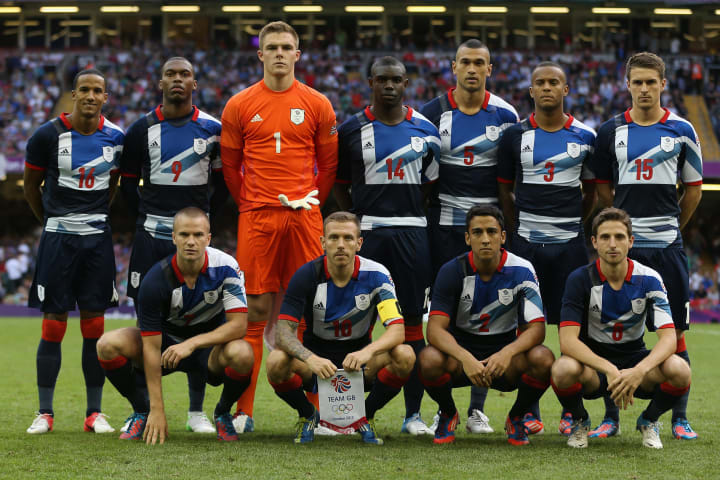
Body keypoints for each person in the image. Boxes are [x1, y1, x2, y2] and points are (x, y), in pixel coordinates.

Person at [221, 21, 338, 432]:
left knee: (306, 311)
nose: (279, 54)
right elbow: (232, 169)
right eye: (271, 47)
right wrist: (253, 204)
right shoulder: (238, 104)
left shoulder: (318, 103)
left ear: (297, 54)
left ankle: (316, 414)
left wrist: (310, 204)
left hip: (305, 217)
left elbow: (328, 167)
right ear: (261, 54)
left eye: (286, 47)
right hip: (257, 217)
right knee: (254, 310)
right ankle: (244, 412)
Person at [592, 52, 702, 440]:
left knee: (677, 333)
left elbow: (692, 190)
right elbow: (604, 191)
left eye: (650, 82)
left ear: (663, 85)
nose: (643, 89)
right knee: (610, 331)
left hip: (666, 248)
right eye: (636, 82)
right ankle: (610, 418)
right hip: (624, 249)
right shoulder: (609, 131)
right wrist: (620, 235)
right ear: (626, 85)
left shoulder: (683, 129)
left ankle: (677, 418)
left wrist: (673, 228)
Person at [119, 56, 225, 434]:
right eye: (170, 74)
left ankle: (197, 411)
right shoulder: (139, 130)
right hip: (151, 239)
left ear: (194, 84)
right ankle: (146, 410)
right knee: (146, 325)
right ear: (159, 83)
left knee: (199, 318)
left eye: (184, 75)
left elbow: (224, 185)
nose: (177, 80)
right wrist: (149, 218)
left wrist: (205, 218)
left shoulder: (214, 129)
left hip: (195, 239)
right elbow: (128, 184)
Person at [334, 56, 440, 435]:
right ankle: (345, 412)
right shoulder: (349, 130)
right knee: (355, 321)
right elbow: (337, 184)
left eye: (396, 80)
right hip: (369, 234)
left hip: (413, 233)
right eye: (382, 80)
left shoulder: (427, 130)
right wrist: (356, 223)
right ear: (370, 82)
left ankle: (413, 415)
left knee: (412, 321)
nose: (389, 86)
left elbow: (430, 184)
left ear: (406, 82)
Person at [420, 38, 519, 435]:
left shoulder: (506, 114)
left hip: (489, 230)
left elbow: (511, 177)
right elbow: (426, 177)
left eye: (480, 62)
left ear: (490, 69)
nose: (473, 69)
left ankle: (478, 409)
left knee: (487, 313)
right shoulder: (431, 114)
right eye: (466, 62)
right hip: (444, 227)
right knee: (444, 312)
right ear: (454, 67)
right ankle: (444, 409)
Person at [497, 61, 597, 435]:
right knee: (529, 327)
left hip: (570, 245)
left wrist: (573, 225)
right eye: (540, 82)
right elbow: (505, 189)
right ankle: (530, 408)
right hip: (527, 246)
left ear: (566, 89)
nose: (547, 88)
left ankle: (571, 409)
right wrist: (518, 227)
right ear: (531, 91)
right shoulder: (514, 136)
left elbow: (592, 194)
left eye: (554, 82)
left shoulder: (587, 137)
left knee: (573, 327)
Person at [96, 207, 254, 443]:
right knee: (107, 345)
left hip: (208, 350)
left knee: (243, 354)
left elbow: (239, 326)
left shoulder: (227, 267)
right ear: (173, 237)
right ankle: (142, 410)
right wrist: (158, 409)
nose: (191, 241)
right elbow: (150, 346)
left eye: (198, 235)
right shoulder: (155, 280)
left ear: (208, 238)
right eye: (184, 235)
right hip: (166, 346)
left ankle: (222, 413)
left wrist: (191, 344)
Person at [23, 68, 124, 435]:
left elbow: (112, 186)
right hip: (58, 241)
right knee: (53, 325)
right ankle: (44, 413)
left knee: (94, 327)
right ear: (74, 94)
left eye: (98, 90)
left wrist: (92, 218)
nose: (91, 96)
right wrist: (53, 220)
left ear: (105, 97)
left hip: (96, 240)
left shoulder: (116, 137)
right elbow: (31, 187)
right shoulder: (46, 135)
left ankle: (94, 414)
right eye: (85, 89)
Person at [266, 211, 415, 444]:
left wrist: (366, 353)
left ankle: (364, 416)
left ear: (359, 243)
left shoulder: (377, 275)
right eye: (334, 238)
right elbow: (283, 332)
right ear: (323, 242)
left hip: (360, 365)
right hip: (316, 366)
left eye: (348, 238)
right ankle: (308, 415)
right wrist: (310, 358)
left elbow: (397, 329)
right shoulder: (305, 275)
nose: (341, 245)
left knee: (405, 355)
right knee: (276, 361)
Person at [551, 207, 692, 449]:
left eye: (619, 237)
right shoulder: (579, 279)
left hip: (635, 361)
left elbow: (669, 338)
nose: (612, 244)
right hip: (594, 368)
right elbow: (567, 341)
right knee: (562, 369)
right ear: (594, 242)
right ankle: (580, 421)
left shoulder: (649, 278)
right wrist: (609, 369)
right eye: (605, 237)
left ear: (631, 241)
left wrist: (639, 370)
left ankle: (649, 420)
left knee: (680, 370)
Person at [418, 205, 554, 445]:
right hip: (461, 357)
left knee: (543, 358)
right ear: (467, 238)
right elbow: (435, 330)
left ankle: (516, 417)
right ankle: (448, 413)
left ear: (502, 237)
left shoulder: (522, 270)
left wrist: (507, 353)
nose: (485, 239)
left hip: (505, 359)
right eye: (478, 232)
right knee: (428, 359)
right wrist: (465, 357)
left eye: (492, 232)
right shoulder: (451, 271)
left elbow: (537, 329)